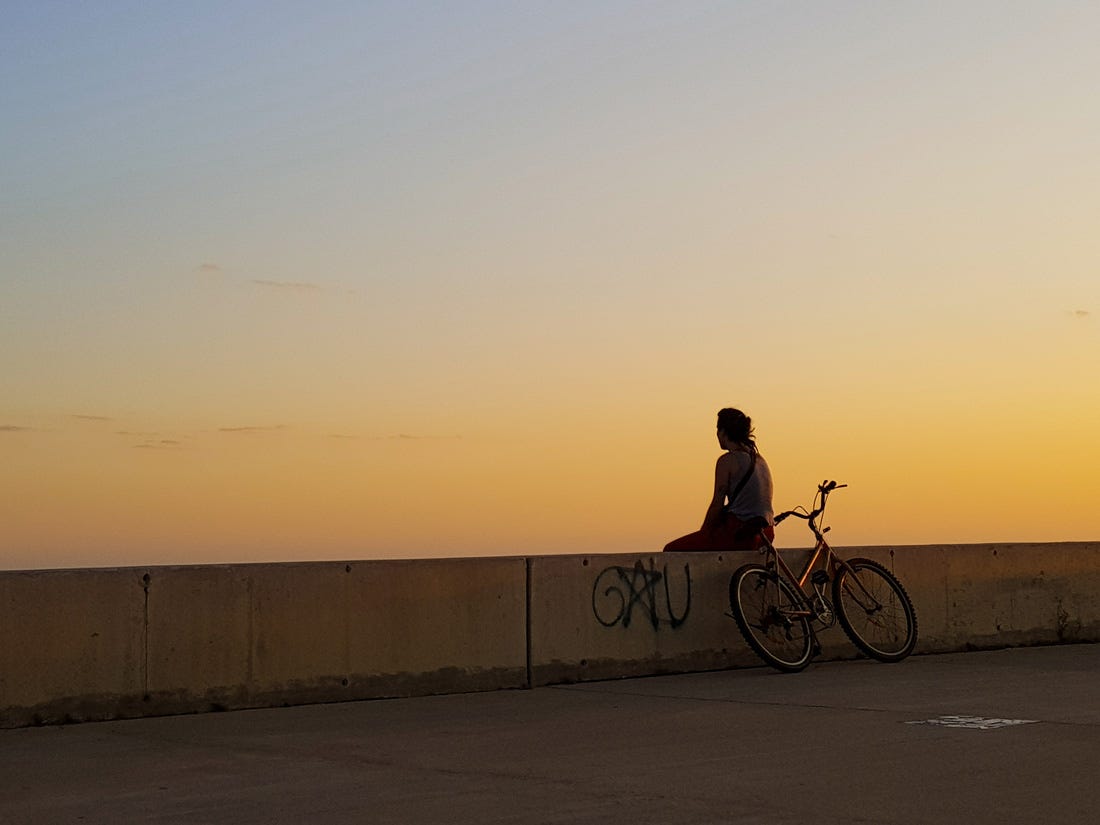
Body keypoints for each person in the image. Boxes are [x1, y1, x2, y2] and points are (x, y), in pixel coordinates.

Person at [663, 408, 775, 552]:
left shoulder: (727, 460)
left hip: (741, 532)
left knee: (671, 550)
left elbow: (717, 502)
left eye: (717, 429)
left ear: (722, 432)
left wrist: (704, 534)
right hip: (766, 533)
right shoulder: (760, 460)